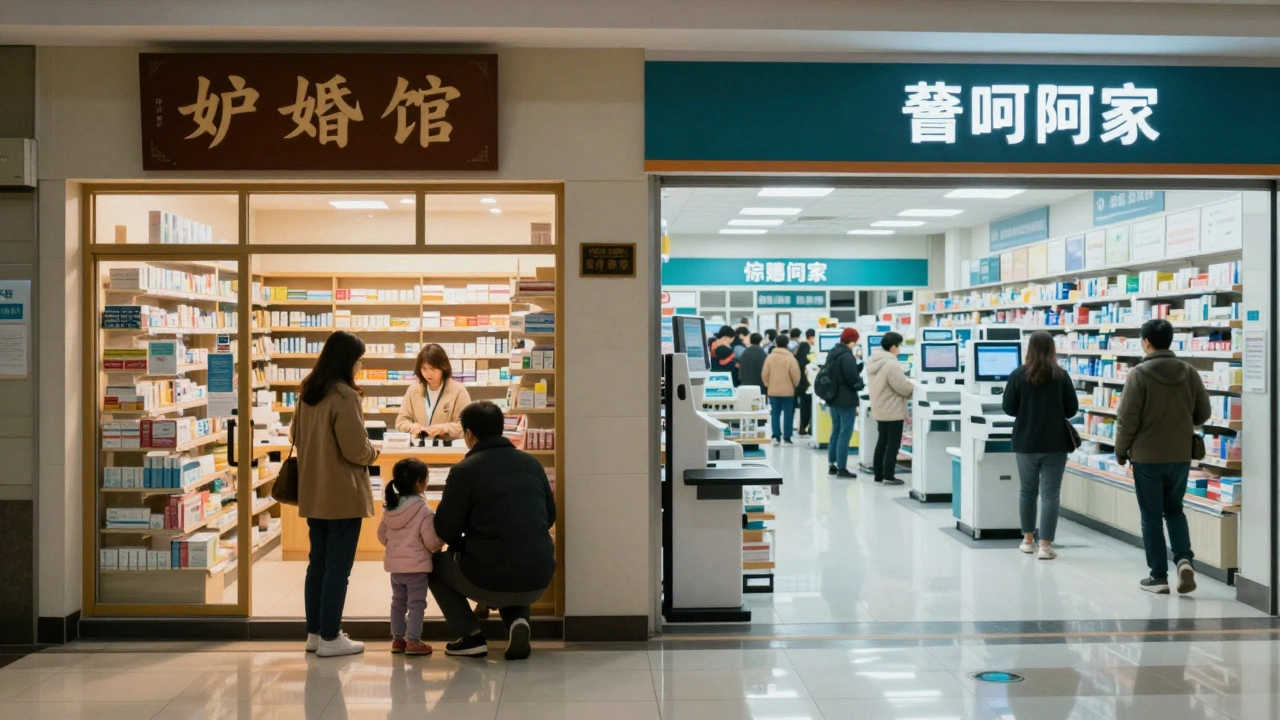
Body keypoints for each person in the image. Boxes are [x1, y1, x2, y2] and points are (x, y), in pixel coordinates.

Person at [429, 401, 556, 660]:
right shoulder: (531, 464)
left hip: (486, 576)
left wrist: (465, 542)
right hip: (538, 576)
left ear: (469, 434)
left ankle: (470, 636)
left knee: (432, 567)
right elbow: (550, 516)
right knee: (515, 552)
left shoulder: (465, 470)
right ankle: (518, 621)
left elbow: (445, 528)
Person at [294, 330, 380, 657]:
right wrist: (374, 453)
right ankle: (331, 637)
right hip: (342, 494)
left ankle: (315, 634)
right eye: (359, 360)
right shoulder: (344, 396)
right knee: (338, 569)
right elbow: (356, 449)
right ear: (348, 361)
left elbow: (295, 435)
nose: (360, 366)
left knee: (317, 563)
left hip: (314, 491)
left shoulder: (308, 392)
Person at [1115, 319, 1212, 595]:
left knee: (1151, 517)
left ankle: (1158, 577)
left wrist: (1121, 451)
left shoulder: (1139, 374)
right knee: (1174, 510)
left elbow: (1127, 419)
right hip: (1180, 455)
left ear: (1146, 342)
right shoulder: (1189, 371)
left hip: (1147, 457)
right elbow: (1203, 413)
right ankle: (1183, 560)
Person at [1001, 331, 1079, 561]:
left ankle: (1027, 540)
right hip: (1055, 442)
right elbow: (1071, 409)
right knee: (1050, 494)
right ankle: (1045, 546)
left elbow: (1008, 407)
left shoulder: (1018, 375)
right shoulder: (1061, 375)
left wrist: (1026, 411)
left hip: (1026, 442)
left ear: (1030, 349)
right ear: (1052, 349)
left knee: (1027, 491)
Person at [378, 458, 444, 656]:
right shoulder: (423, 510)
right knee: (416, 604)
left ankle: (397, 640)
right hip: (417, 568)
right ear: (419, 483)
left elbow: (382, 536)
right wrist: (441, 543)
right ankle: (413, 641)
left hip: (395, 568)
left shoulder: (390, 507)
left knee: (398, 602)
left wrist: (396, 548)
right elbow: (431, 542)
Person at [396, 343, 472, 443]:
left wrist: (445, 428)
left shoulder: (458, 390)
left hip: (447, 448)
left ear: (443, 367)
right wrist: (411, 427)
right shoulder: (413, 390)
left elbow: (466, 425)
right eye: (424, 369)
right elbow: (401, 421)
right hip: (419, 447)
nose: (428, 374)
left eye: (433, 369)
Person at [866, 331, 914, 485]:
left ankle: (879, 474)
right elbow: (902, 387)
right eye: (899, 346)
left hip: (880, 407)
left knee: (882, 441)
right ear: (893, 347)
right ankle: (889, 475)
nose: (899, 349)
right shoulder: (891, 363)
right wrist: (911, 385)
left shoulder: (874, 360)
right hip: (893, 409)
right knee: (893, 443)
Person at [825, 328, 864, 478]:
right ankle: (842, 468)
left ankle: (832, 464)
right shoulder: (847, 356)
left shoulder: (832, 353)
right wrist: (860, 382)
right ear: (852, 340)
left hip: (833, 397)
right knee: (845, 433)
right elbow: (852, 379)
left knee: (835, 430)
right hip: (846, 399)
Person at [761, 334, 802, 445]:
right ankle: (787, 438)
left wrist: (768, 384)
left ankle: (776, 436)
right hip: (788, 391)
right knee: (788, 414)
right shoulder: (790, 358)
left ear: (776, 343)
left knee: (775, 414)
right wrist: (794, 385)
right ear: (787, 344)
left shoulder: (770, 357)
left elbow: (764, 374)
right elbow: (796, 375)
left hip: (773, 390)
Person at [792, 329, 814, 437]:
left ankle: (802, 427)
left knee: (803, 408)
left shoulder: (797, 353)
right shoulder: (808, 351)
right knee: (809, 407)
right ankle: (809, 427)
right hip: (807, 383)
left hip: (799, 384)